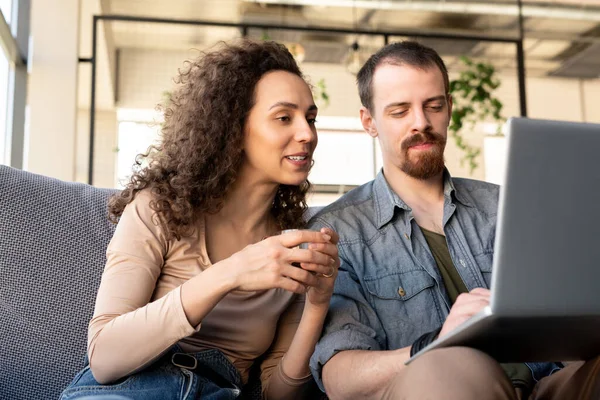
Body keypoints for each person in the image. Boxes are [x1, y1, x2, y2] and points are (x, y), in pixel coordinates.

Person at [308, 40, 600, 400]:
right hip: (429, 386)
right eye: (400, 111)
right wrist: (436, 344)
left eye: (433, 106)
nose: (421, 123)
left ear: (449, 108)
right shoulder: (339, 231)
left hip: (543, 384)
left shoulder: (504, 206)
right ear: (369, 122)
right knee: (450, 366)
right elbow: (339, 378)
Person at [60, 39, 340, 400]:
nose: (307, 134)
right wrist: (231, 273)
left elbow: (277, 393)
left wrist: (317, 305)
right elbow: (105, 358)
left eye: (311, 118)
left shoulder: (295, 243)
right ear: (234, 129)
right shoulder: (159, 209)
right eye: (284, 117)